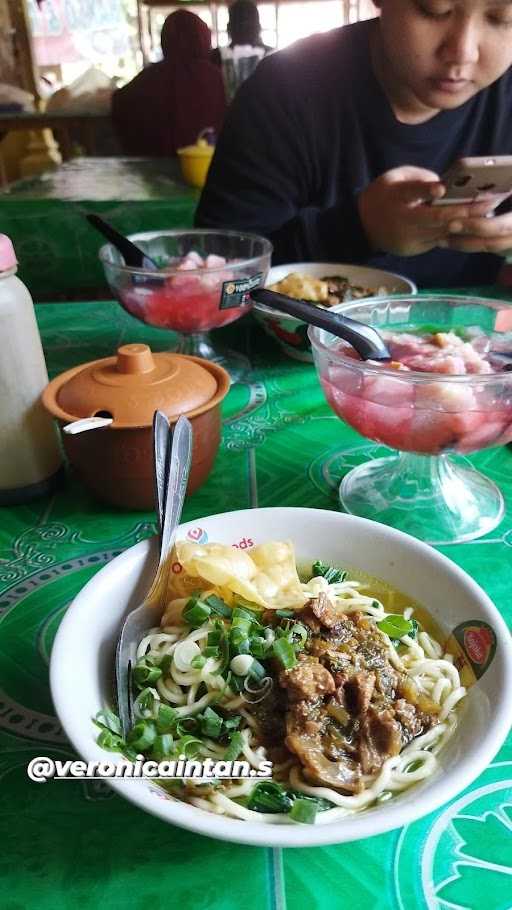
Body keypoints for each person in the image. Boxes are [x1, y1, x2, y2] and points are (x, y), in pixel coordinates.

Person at [196, 0, 512, 287]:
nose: (463, 52)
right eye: (433, 10)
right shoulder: (286, 90)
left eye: (501, 18)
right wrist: (360, 226)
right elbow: (216, 276)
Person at [112, 10, 226, 157]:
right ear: (203, 38)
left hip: (152, 170)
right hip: (205, 170)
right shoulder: (214, 76)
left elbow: (119, 103)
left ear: (165, 40)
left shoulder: (149, 77)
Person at [210, 0, 272, 102]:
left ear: (228, 27)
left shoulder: (214, 57)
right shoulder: (273, 57)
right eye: (240, 24)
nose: (244, 28)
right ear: (259, 27)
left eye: (248, 24)